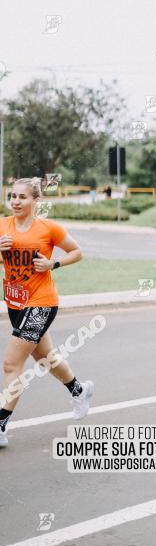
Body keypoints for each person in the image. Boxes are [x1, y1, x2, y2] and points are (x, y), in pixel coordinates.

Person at [0, 177, 94, 448]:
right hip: (15, 303)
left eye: (22, 197)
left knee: (11, 363)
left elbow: (77, 252)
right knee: (46, 357)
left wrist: (53, 263)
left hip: (41, 302)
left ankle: (1, 423)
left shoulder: (49, 228)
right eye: (13, 196)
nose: (16, 202)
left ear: (36, 201)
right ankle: (80, 390)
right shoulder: (3, 225)